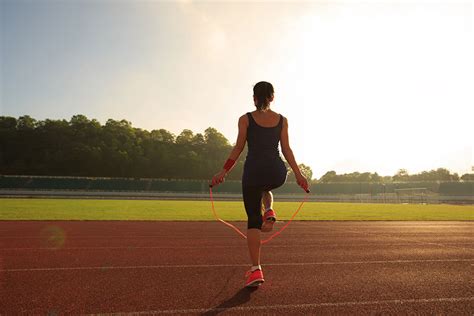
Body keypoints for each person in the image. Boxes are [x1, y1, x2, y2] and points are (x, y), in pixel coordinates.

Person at [211, 81, 309, 288]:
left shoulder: (245, 119)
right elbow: (287, 150)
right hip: (277, 171)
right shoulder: (282, 120)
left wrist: (223, 171)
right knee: (267, 189)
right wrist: (299, 175)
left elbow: (238, 148)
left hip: (254, 172)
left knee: (253, 220)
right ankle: (270, 210)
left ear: (254, 98)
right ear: (272, 97)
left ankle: (256, 270)